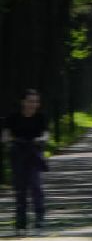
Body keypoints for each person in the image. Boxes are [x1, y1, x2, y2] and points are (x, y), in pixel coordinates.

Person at [3, 89, 49, 232]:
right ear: (23, 102)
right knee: (20, 189)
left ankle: (39, 217)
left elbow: (46, 134)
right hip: (18, 155)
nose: (33, 104)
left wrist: (40, 140)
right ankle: (20, 220)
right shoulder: (13, 118)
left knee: (36, 186)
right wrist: (13, 140)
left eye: (36, 101)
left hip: (34, 154)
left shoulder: (41, 117)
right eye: (30, 101)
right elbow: (5, 136)